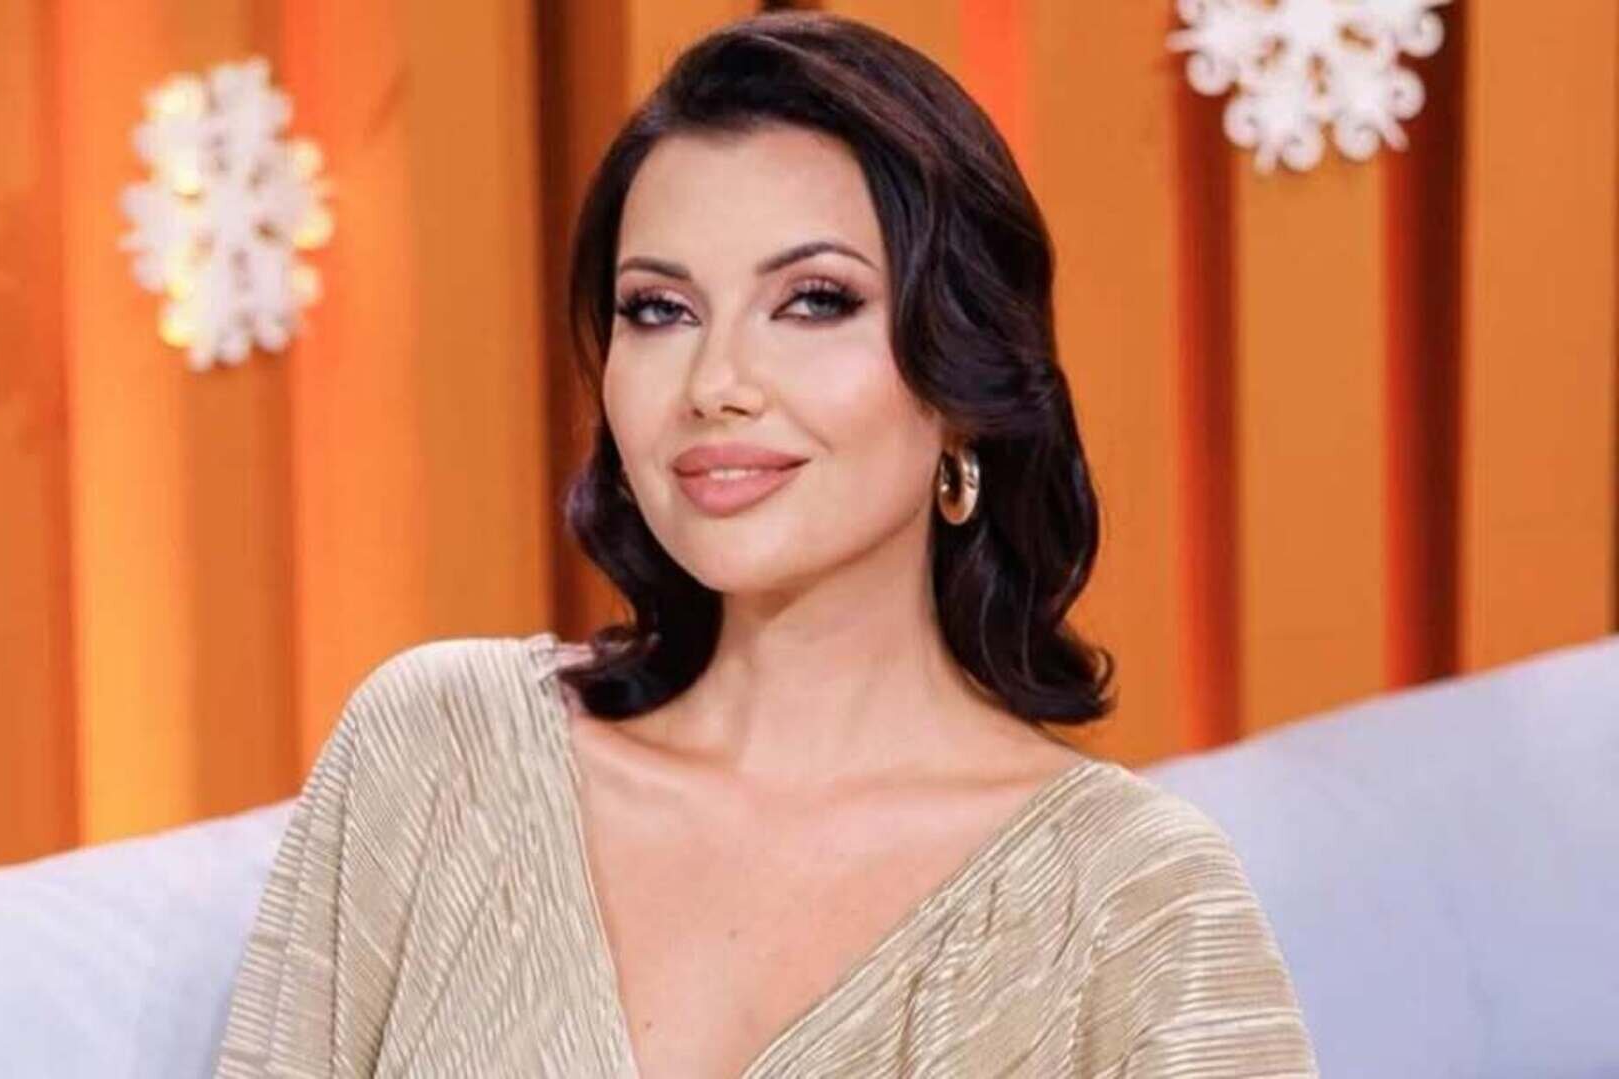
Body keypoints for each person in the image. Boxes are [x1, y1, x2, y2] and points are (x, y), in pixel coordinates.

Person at [213, 11, 1318, 1078]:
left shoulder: (1136, 905)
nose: (716, 384)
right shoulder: (439, 752)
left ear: (963, 381)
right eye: (660, 309)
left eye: (814, 300)